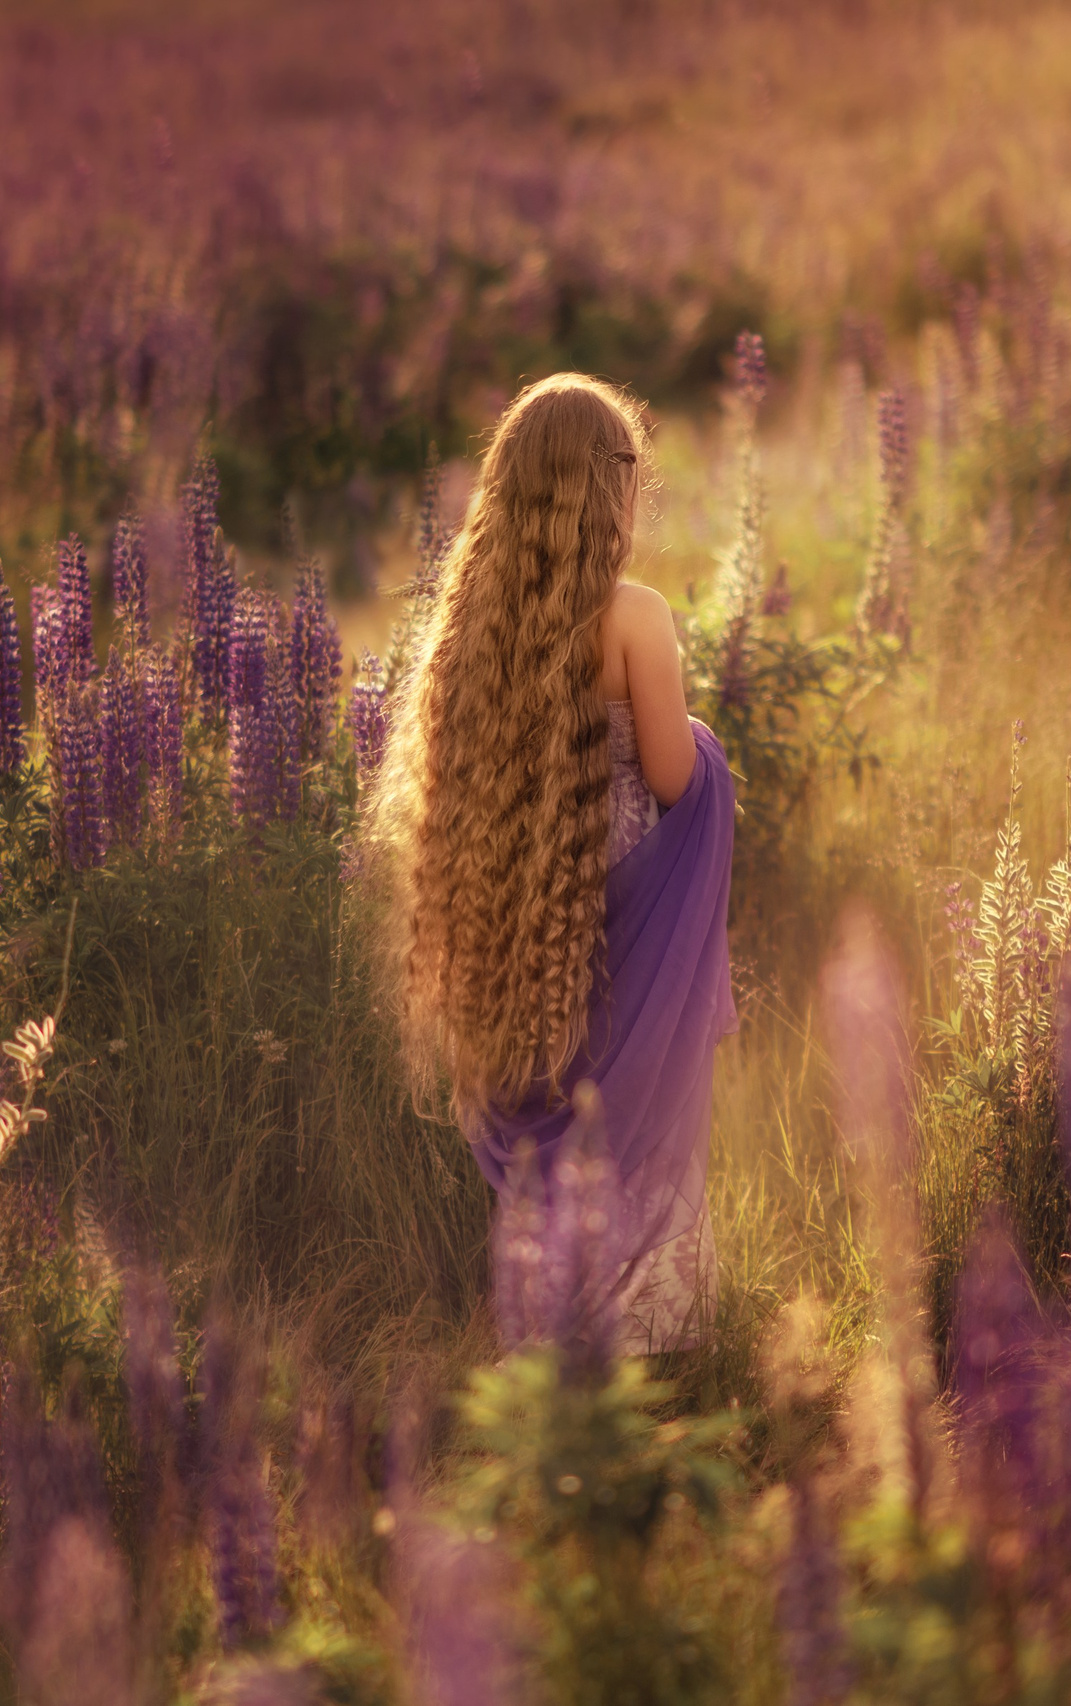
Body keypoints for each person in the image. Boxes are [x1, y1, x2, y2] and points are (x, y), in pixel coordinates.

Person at [368, 373, 737, 1355]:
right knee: (634, 1110)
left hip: (522, 916)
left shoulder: (470, 632)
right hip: (621, 915)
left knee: (547, 1097)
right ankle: (648, 1342)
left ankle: (549, 1339)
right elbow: (673, 775)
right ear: (611, 490)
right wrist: (706, 742)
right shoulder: (634, 617)